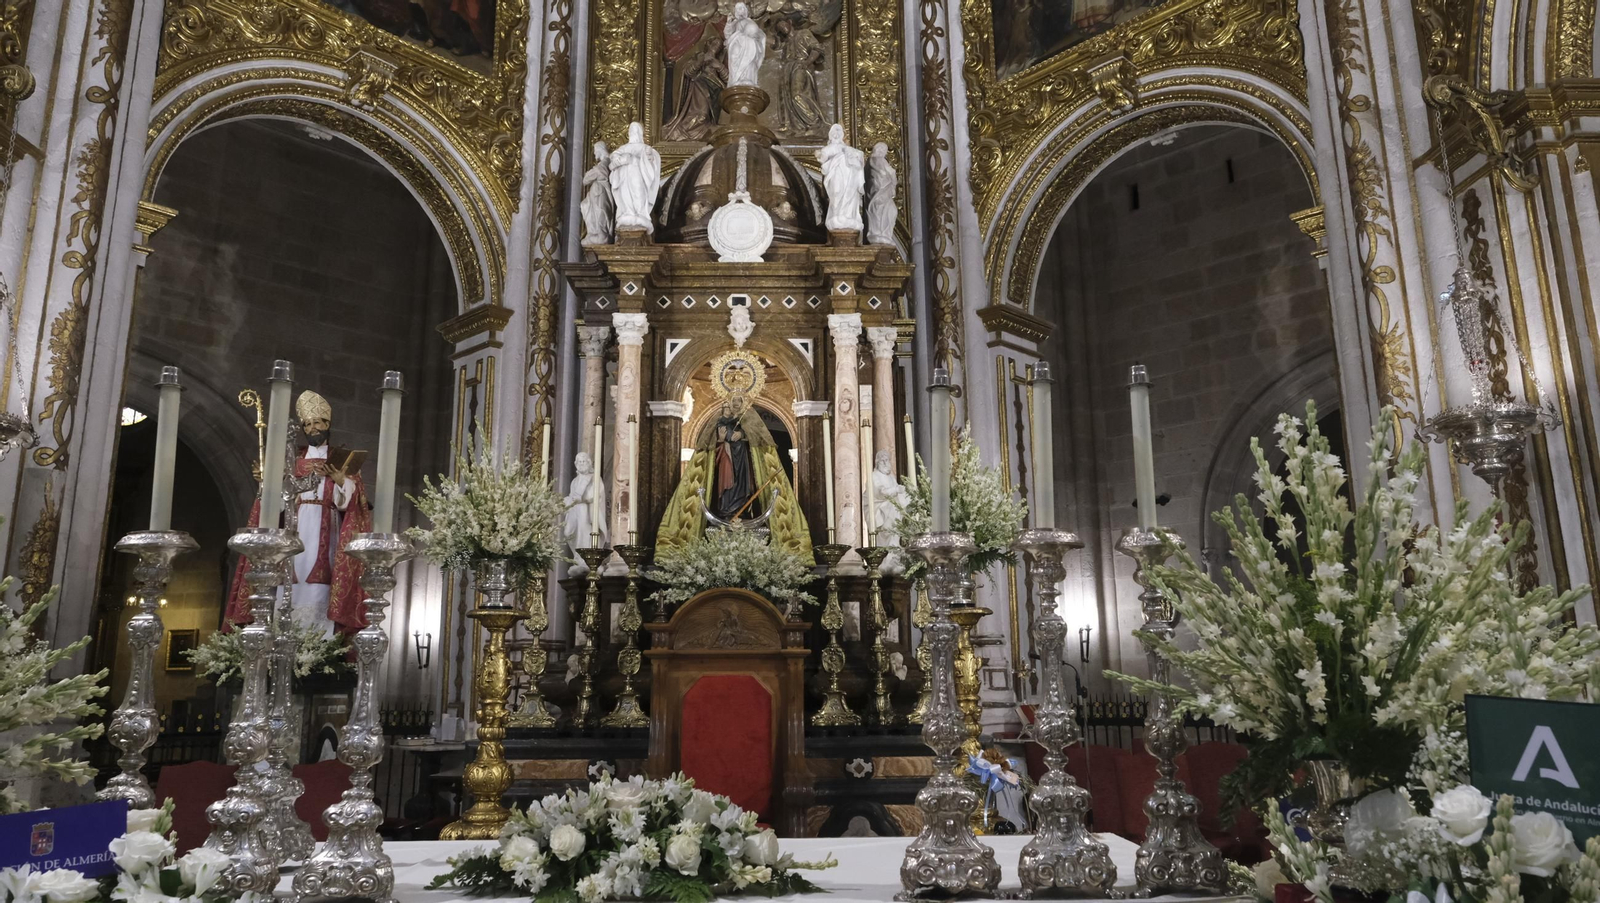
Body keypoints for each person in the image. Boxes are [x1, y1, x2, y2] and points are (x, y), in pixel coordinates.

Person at [226, 390, 370, 636]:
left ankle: (319, 649)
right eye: (307, 424)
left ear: (327, 424)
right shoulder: (291, 462)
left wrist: (340, 482)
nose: (312, 428)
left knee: (323, 584)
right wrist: (267, 485)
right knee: (288, 582)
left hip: (328, 531)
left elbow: (353, 505)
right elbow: (276, 506)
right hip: (296, 527)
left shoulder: (341, 461)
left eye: (317, 422)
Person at [663, 37, 728, 142]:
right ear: (708, 44)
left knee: (706, 118)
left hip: (715, 94)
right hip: (699, 88)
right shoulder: (698, 57)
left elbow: (729, 80)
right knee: (701, 115)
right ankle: (685, 131)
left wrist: (719, 66)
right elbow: (688, 72)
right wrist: (700, 62)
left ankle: (698, 132)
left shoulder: (719, 61)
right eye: (714, 44)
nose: (716, 47)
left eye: (719, 46)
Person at [608, 122, 663, 234]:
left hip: (638, 173)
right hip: (624, 176)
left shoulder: (645, 148)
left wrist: (648, 158)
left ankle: (640, 214)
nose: (634, 132)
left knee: (639, 193)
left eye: (636, 129)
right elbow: (614, 158)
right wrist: (620, 159)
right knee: (626, 195)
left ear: (640, 133)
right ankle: (628, 213)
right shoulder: (623, 148)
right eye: (632, 130)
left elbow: (653, 161)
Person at [773, 16, 824, 135]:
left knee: (797, 94)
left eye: (783, 24)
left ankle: (814, 121)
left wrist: (807, 63)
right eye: (780, 28)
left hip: (800, 65)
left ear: (790, 22)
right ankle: (792, 126)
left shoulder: (803, 33)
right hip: (788, 69)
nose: (782, 28)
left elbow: (817, 48)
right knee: (785, 97)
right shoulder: (787, 43)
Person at [563, 452, 609, 571]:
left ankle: (585, 560)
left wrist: (582, 498)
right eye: (579, 461)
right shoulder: (574, 481)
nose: (581, 464)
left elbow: (596, 495)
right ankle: (578, 557)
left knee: (585, 534)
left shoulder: (594, 478)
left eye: (584, 461)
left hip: (587, 511)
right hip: (575, 511)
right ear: (575, 464)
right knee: (569, 533)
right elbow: (572, 495)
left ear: (589, 463)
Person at [712, 402, 756, 518]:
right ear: (722, 409)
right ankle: (727, 509)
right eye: (726, 407)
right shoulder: (720, 422)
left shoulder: (738, 422)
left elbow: (747, 432)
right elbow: (729, 436)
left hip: (741, 457)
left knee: (741, 480)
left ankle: (741, 509)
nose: (728, 410)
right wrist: (730, 435)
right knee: (728, 482)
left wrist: (741, 433)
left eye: (730, 407)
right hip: (728, 457)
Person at [819, 122, 865, 232]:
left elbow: (859, 158)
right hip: (836, 173)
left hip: (848, 174)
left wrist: (855, 157)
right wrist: (820, 155)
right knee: (836, 192)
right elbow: (823, 157)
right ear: (830, 134)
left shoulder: (847, 149)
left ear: (842, 135)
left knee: (849, 194)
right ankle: (837, 214)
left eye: (839, 132)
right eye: (834, 132)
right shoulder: (829, 148)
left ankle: (847, 215)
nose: (836, 134)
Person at [723, 2, 767, 87]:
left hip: (750, 45)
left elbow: (758, 34)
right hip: (737, 45)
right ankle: (736, 79)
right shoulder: (734, 23)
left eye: (742, 8)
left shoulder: (750, 21)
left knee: (749, 62)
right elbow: (727, 35)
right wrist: (728, 23)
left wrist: (754, 36)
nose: (740, 11)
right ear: (736, 11)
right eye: (738, 9)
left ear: (746, 10)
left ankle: (748, 79)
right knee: (736, 62)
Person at [580, 142, 614, 245]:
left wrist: (590, 174)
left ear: (600, 150)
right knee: (586, 206)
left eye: (595, 151)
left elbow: (586, 179)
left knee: (600, 210)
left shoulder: (606, 161)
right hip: (598, 190)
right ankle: (595, 232)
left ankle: (600, 233)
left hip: (600, 191)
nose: (595, 154)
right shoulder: (607, 162)